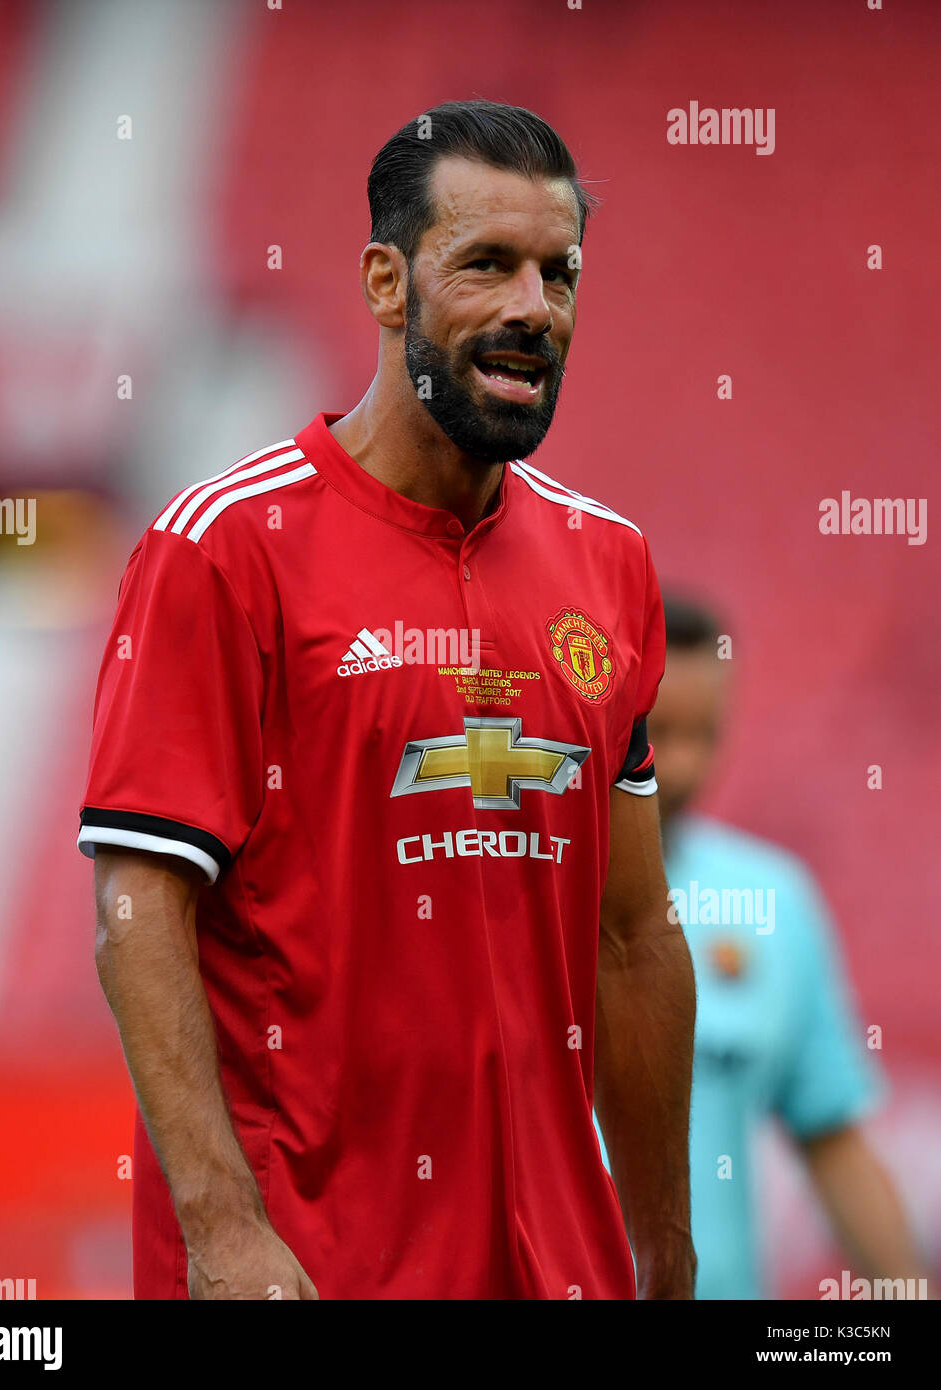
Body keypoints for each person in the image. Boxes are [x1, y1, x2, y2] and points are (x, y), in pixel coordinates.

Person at [78, 100, 696, 1300]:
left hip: (553, 1265)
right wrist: (222, 1228)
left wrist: (664, 1248)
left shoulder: (608, 561)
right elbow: (139, 906)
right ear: (384, 281)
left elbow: (629, 940)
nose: (534, 307)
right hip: (310, 1265)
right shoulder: (224, 548)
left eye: (558, 273)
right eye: (487, 266)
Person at [601, 593, 926, 1299]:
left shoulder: (773, 901)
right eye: (658, 734)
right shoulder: (520, 892)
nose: (682, 769)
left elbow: (831, 1136)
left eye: (706, 735)